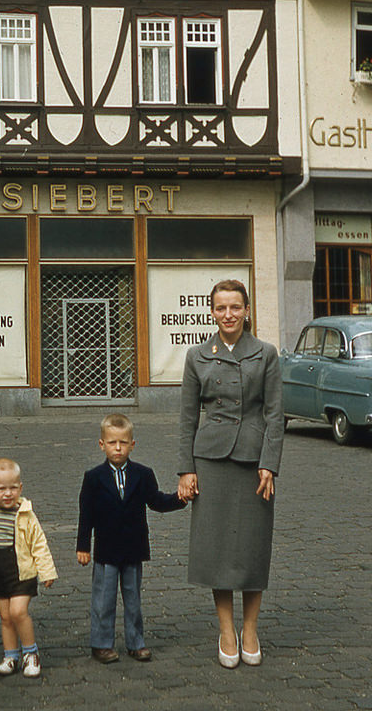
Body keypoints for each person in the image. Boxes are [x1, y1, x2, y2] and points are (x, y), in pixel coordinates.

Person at [177, 279, 283, 669]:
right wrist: (185, 469)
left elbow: (275, 415)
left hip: (255, 464)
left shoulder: (266, 354)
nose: (228, 315)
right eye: (220, 308)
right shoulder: (197, 356)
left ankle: (250, 629)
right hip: (211, 461)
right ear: (212, 312)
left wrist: (270, 463)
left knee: (252, 548)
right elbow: (187, 418)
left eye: (235, 307)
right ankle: (226, 630)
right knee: (217, 550)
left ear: (247, 310)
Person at [77, 413, 186, 664]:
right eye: (112, 442)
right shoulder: (93, 478)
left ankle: (136, 642)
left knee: (133, 599)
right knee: (103, 600)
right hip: (105, 550)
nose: (118, 448)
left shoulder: (143, 474)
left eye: (123, 443)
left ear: (132, 444)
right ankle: (101, 643)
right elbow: (87, 514)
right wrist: (83, 545)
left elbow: (156, 501)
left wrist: (180, 499)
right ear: (102, 444)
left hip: (134, 548)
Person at [0, 457, 57, 678]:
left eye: (12, 488)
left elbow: (39, 543)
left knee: (18, 612)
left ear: (20, 488)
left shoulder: (26, 514)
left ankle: (31, 653)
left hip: (21, 572)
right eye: (1, 489)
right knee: (6, 617)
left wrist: (46, 571)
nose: (7, 493)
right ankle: (11, 656)